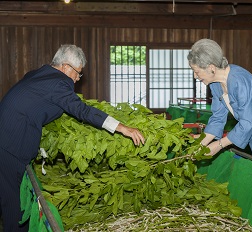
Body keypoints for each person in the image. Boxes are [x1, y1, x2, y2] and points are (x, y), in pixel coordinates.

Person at [0, 44, 145, 232]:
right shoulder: (58, 83)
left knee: (9, 199)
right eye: (78, 73)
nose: (77, 79)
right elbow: (81, 110)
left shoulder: (38, 74)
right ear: (66, 67)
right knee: (15, 209)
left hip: (6, 140)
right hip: (10, 146)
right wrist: (121, 127)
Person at [187, 38, 252, 169]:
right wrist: (200, 145)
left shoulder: (240, 80)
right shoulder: (215, 85)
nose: (195, 76)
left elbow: (246, 122)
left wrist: (218, 145)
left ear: (211, 68)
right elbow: (217, 118)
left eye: (197, 71)